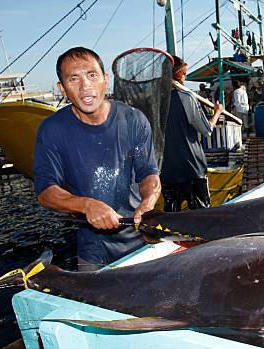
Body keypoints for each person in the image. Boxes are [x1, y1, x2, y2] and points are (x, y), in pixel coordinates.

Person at [33, 47, 160, 271]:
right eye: (74, 78)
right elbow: (45, 192)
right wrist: (86, 204)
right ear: (62, 89)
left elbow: (148, 173)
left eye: (92, 75)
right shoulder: (51, 129)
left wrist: (148, 203)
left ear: (105, 80)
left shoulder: (134, 120)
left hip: (142, 242)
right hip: (93, 251)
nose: (85, 86)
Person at [161, 56, 223, 212]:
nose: (185, 77)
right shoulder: (186, 97)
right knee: (202, 217)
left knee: (171, 220)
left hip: (167, 170)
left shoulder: (156, 101)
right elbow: (207, 130)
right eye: (184, 74)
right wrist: (217, 112)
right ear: (179, 74)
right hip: (192, 168)